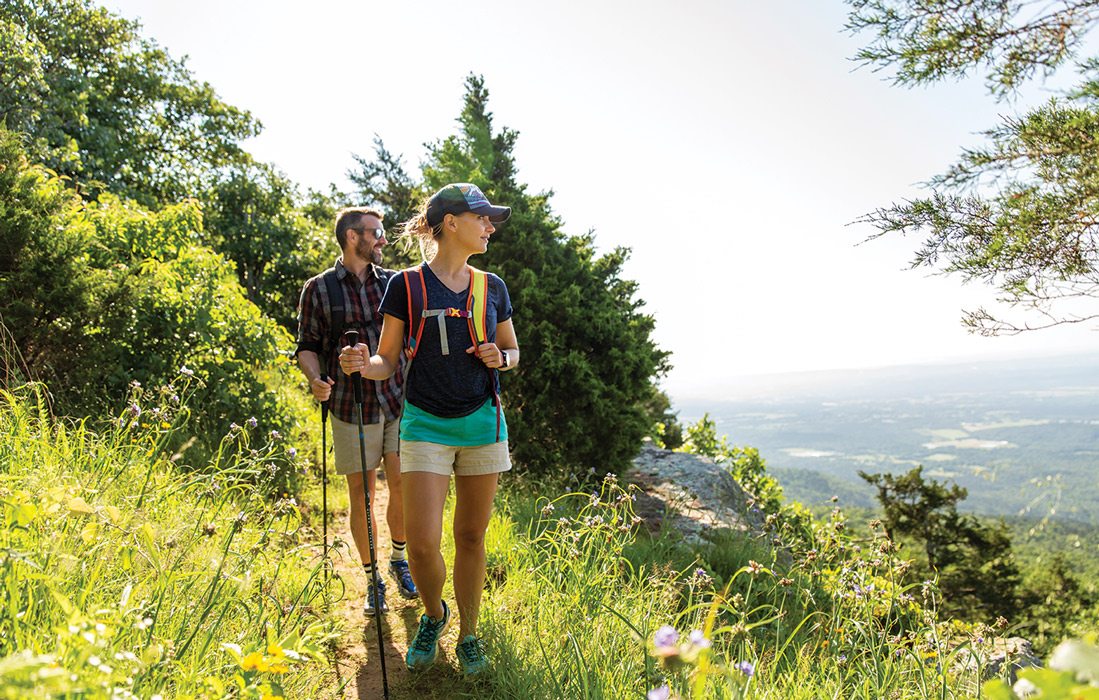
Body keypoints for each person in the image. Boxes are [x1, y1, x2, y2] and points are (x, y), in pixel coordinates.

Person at [339, 183, 518, 676]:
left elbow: (513, 351)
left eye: (491, 219)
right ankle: (434, 616)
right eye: (482, 218)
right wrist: (360, 364)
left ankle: (470, 635)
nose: (490, 226)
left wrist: (499, 357)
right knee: (420, 542)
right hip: (422, 424)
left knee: (471, 537)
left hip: (483, 423)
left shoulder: (492, 287)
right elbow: (386, 361)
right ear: (452, 223)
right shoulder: (407, 286)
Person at [295, 206, 418, 615]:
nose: (383, 239)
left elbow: (410, 338)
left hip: (397, 398)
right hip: (349, 406)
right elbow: (307, 347)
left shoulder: (395, 284)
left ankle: (400, 561)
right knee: (362, 494)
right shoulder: (319, 289)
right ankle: (372, 579)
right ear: (352, 237)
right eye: (376, 232)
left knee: (402, 482)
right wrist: (315, 379)